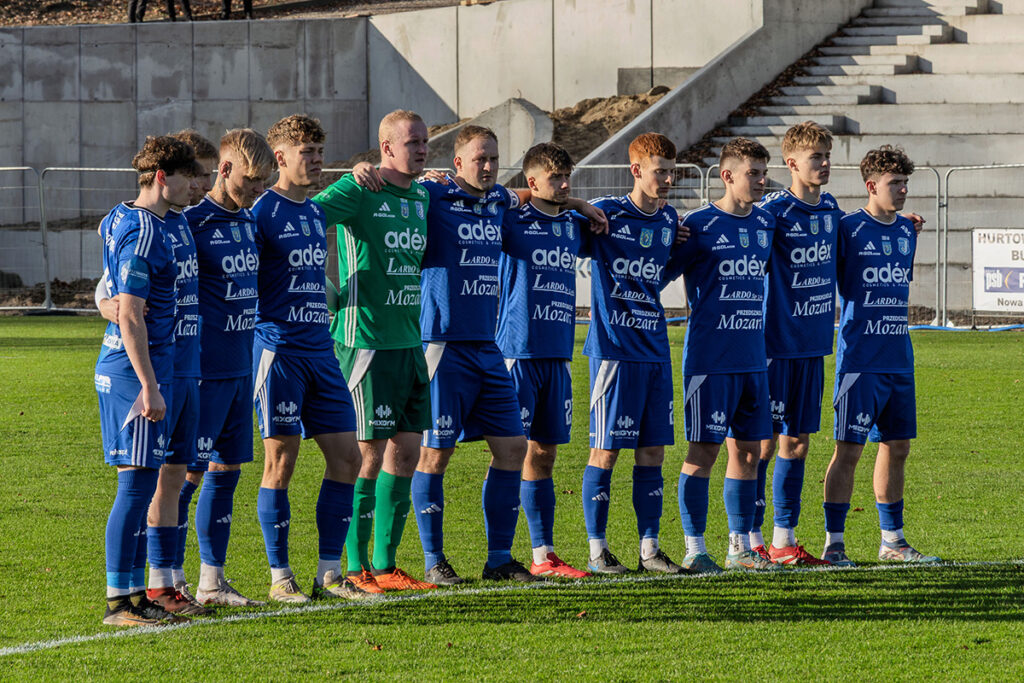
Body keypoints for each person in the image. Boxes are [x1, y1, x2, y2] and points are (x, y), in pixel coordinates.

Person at [313, 110, 438, 593]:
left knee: (406, 454)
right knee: (367, 455)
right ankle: (354, 567)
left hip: (409, 343)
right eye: (412, 142)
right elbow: (299, 220)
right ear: (386, 148)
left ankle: (385, 566)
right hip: (365, 344)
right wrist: (324, 289)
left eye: (425, 141)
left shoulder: (423, 195)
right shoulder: (360, 188)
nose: (422, 149)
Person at [251, 115, 365, 602]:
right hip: (280, 351)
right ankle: (280, 577)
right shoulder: (261, 211)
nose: (317, 161)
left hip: (322, 349)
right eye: (307, 153)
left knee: (348, 457)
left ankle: (329, 573)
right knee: (281, 460)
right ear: (280, 157)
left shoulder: (316, 213)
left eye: (320, 151)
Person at [821, 145, 938, 566]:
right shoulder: (847, 228)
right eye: (894, 183)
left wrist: (911, 226)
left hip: (898, 358)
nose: (903, 189)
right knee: (849, 450)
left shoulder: (907, 231)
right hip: (860, 361)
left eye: (905, 182)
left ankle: (893, 541)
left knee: (897, 446)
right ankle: (834, 544)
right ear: (871, 186)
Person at [95, 135, 195, 626]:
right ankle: (118, 603)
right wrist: (149, 386)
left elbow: (112, 292)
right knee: (135, 486)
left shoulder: (117, 217)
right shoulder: (147, 233)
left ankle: (136, 596)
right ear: (161, 178)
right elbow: (131, 314)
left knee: (142, 483)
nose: (193, 187)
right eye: (186, 178)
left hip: (139, 366)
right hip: (135, 371)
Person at [666, 137, 778, 573]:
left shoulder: (765, 223)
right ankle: (694, 548)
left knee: (749, 452)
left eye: (764, 173)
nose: (762, 181)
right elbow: (656, 273)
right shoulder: (698, 225)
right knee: (703, 452)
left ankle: (739, 547)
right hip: (710, 361)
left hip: (753, 360)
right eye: (753, 173)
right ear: (727, 175)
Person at [582, 132, 683, 575]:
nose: (668, 180)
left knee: (653, 452)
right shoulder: (607, 212)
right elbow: (557, 214)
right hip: (614, 352)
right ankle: (597, 550)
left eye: (672, 172)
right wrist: (581, 208)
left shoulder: (669, 219)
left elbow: (663, 270)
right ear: (636, 170)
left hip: (655, 350)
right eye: (660, 171)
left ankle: (649, 549)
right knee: (606, 452)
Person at [185, 129, 274, 606]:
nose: (257, 190)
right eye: (251, 180)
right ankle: (167, 579)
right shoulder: (191, 222)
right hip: (203, 370)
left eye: (264, 182)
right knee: (185, 476)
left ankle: (211, 581)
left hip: (242, 366)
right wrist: (105, 300)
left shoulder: (250, 220)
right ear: (224, 169)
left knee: (227, 471)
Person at [496, 142, 590, 578]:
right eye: (556, 178)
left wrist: (580, 205)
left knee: (545, 452)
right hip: (516, 352)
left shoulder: (574, 225)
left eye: (568, 177)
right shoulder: (511, 219)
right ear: (531, 181)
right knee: (508, 452)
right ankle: (499, 553)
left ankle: (543, 554)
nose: (565, 185)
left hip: (558, 354)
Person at [752, 122, 842, 566]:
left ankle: (783, 539)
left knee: (798, 442)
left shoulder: (831, 207)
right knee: (762, 445)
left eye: (827, 156)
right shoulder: (773, 211)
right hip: (775, 345)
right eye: (815, 157)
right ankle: (748, 538)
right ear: (791, 163)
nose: (824, 164)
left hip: (813, 345)